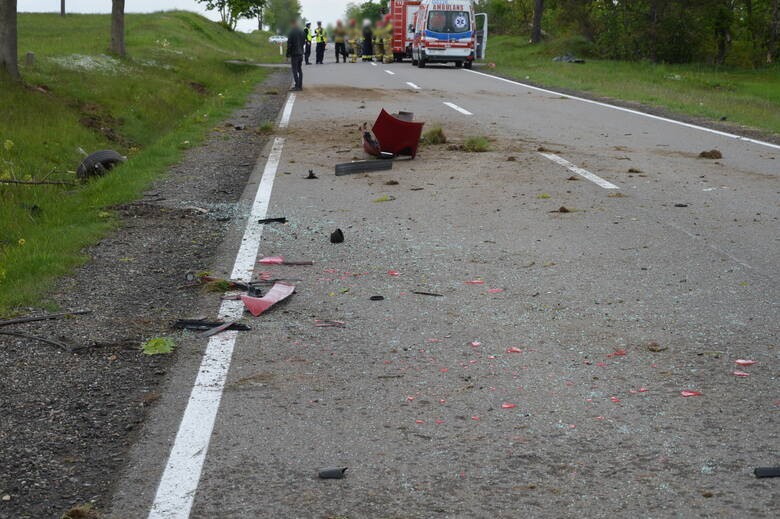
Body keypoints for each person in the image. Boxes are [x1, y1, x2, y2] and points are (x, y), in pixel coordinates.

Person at [286, 18, 304, 91]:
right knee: (299, 69)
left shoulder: (291, 33)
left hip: (294, 54)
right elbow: (303, 42)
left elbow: (289, 45)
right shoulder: (302, 32)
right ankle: (300, 85)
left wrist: (287, 54)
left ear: (292, 24)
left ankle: (297, 86)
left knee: (294, 70)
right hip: (301, 53)